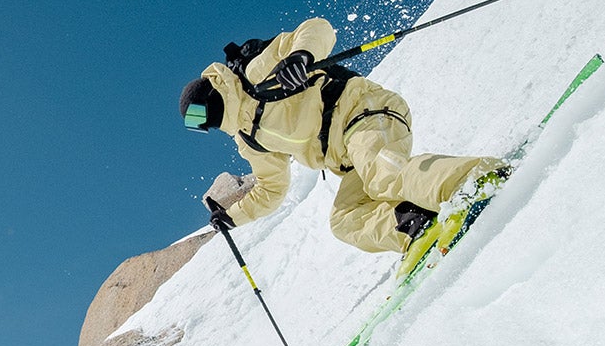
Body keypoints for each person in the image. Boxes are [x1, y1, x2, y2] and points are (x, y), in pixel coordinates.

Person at [180, 17, 508, 255]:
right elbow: (271, 189)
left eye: (197, 117)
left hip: (364, 110)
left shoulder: (255, 73)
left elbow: (318, 28)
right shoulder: (250, 141)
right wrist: (231, 217)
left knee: (382, 174)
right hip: (351, 159)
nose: (203, 127)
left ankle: (472, 179)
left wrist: (300, 56)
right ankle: (417, 226)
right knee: (345, 220)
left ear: (209, 98)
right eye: (194, 126)